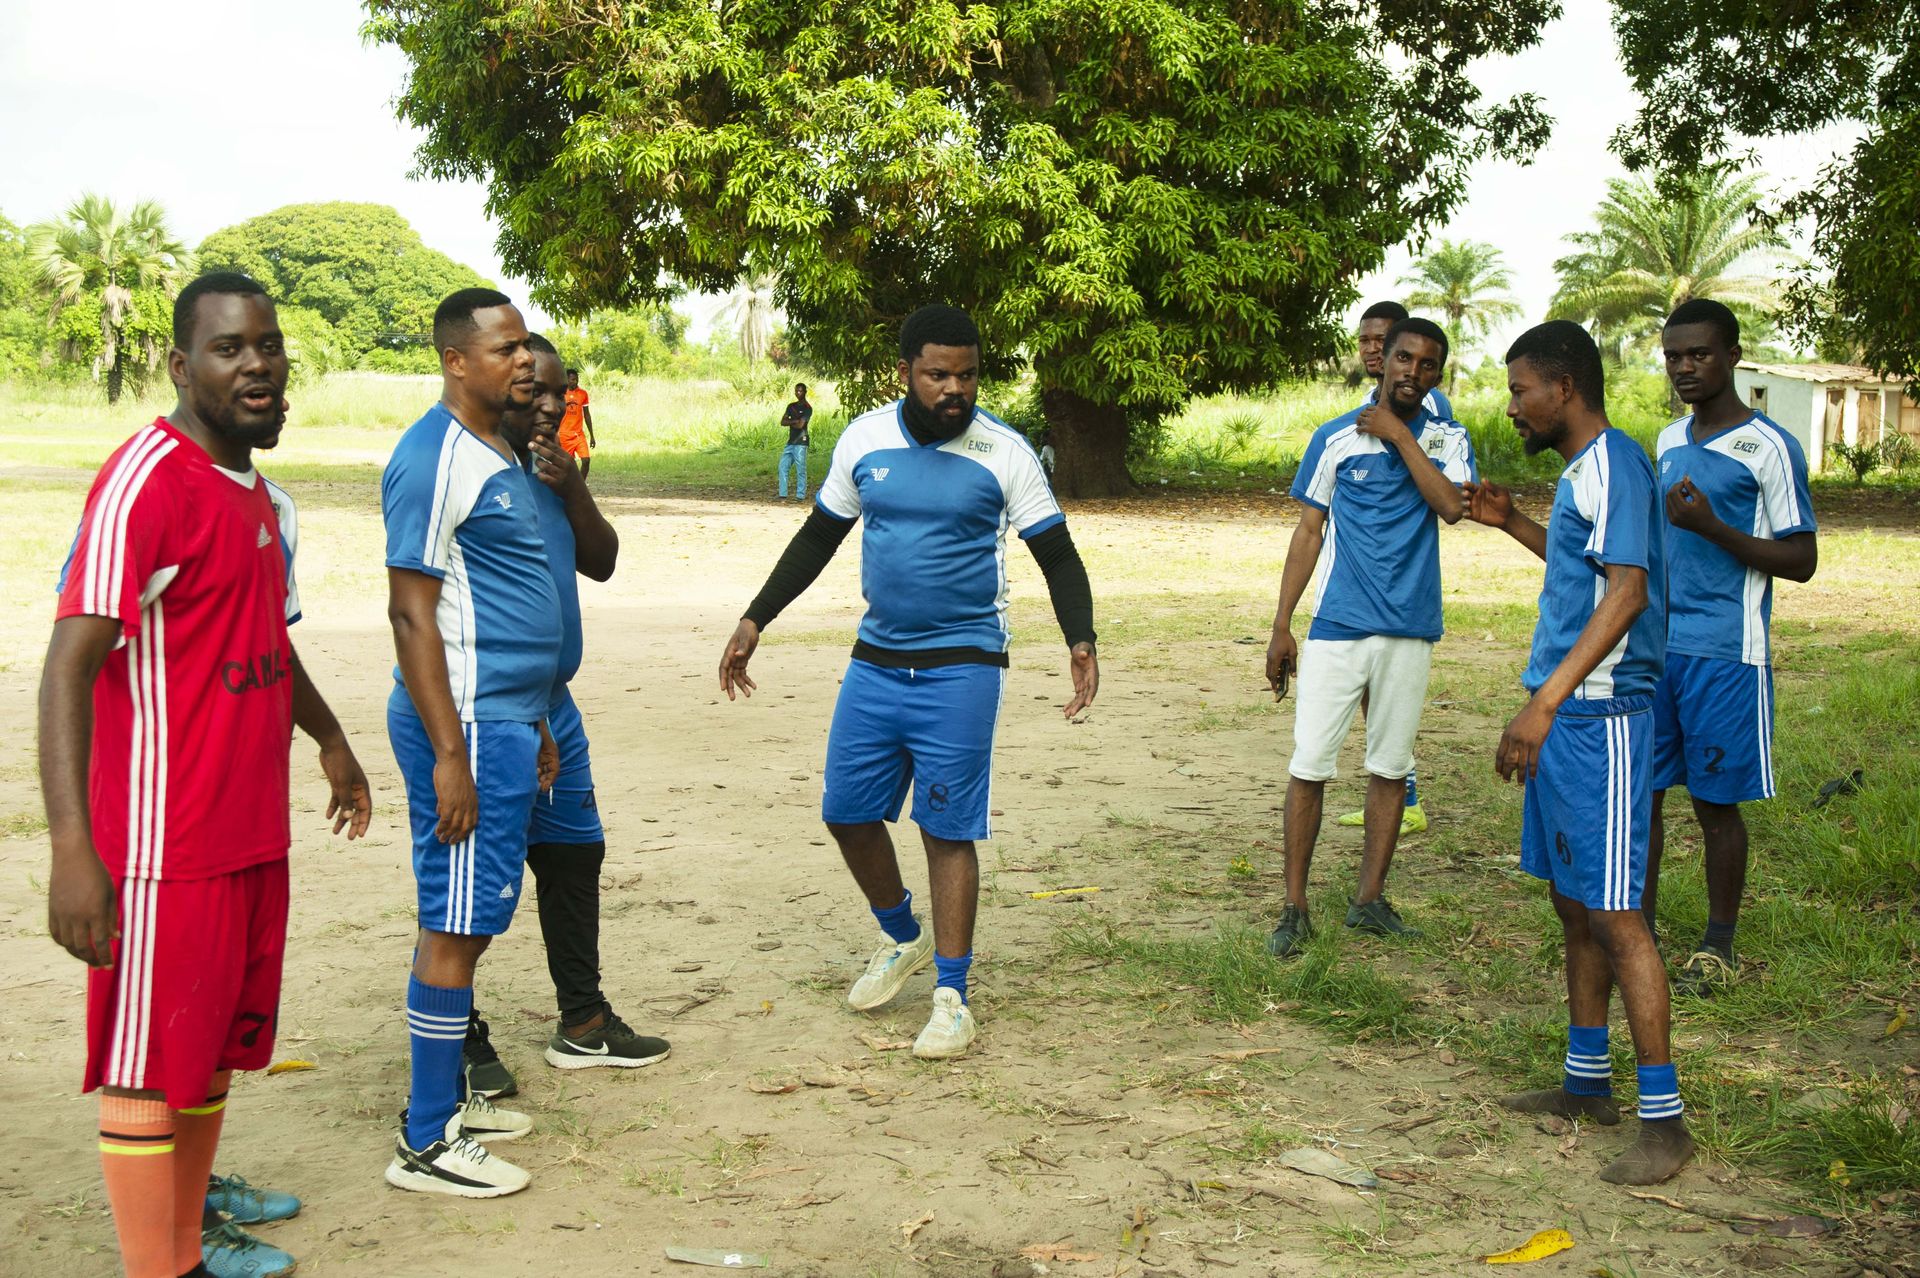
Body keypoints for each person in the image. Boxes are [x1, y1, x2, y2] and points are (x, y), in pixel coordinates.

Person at [40, 272, 371, 1278]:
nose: (257, 364)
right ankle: (160, 1265)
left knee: (211, 1050)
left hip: (245, 834)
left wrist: (328, 736)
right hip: (158, 848)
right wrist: (72, 851)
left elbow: (262, 632)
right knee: (146, 1070)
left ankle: (185, 1248)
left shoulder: (263, 498)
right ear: (183, 366)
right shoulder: (147, 479)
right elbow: (69, 664)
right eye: (229, 349)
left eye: (267, 346)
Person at [717, 303, 1098, 1059]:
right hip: (877, 660)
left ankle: (952, 995)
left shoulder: (1005, 452)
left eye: (966, 375)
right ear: (905, 373)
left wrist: (1079, 639)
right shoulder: (865, 440)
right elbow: (817, 538)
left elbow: (1057, 553)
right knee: (845, 811)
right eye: (937, 375)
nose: (953, 389)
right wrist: (755, 619)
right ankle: (902, 934)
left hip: (964, 663)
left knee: (946, 827)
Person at [1466, 320, 1692, 1185]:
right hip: (1567, 723)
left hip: (1604, 723)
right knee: (1574, 905)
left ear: (1563, 387)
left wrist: (1543, 705)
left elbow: (1628, 596)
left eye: (1521, 390)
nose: (1513, 405)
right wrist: (1513, 523)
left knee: (1618, 916)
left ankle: (1666, 1122)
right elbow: (1586, 574)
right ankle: (1586, 1084)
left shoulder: (1619, 464)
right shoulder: (1581, 474)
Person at [381, 287, 561, 1197]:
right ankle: (426, 1139)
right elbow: (412, 616)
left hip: (501, 718)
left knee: (473, 916)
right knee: (454, 920)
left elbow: (483, 605)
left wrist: (530, 716)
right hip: (466, 725)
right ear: (457, 360)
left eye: (525, 345)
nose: (523, 361)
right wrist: (454, 752)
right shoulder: (434, 456)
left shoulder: (499, 448)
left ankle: (445, 1095)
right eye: (503, 349)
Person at [462, 335, 672, 1095]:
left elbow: (603, 560)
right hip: (490, 710)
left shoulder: (550, 471)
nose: (549, 404)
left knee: (575, 854)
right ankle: (458, 1035)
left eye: (561, 392)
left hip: (555, 706)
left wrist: (574, 491)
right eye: (535, 391)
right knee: (475, 887)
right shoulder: (468, 469)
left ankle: (582, 1023)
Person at [1262, 318, 1475, 958]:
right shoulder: (1334, 440)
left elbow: (1452, 506)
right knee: (1310, 765)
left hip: (1410, 629)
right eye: (1403, 358)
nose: (1413, 372)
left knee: (1389, 767)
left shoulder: (1448, 436)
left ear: (1438, 374)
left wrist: (1398, 435)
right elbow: (1308, 531)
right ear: (1382, 363)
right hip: (1338, 627)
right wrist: (1282, 625)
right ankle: (1293, 907)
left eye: (1428, 364)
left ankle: (1369, 900)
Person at [1646, 299, 1817, 993]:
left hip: (1726, 650)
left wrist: (1714, 527)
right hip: (1657, 649)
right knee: (1644, 795)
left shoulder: (1769, 446)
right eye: (1674, 356)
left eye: (1700, 355)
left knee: (1715, 803)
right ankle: (1641, 933)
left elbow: (1801, 558)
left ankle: (1718, 947)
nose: (1685, 368)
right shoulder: (1666, 440)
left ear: (1732, 356)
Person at [1334, 299, 1452, 835]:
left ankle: (1405, 794)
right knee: (1365, 692)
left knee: (1391, 698)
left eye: (1384, 342)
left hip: (1402, 590)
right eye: (1365, 341)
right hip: (1355, 586)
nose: (1373, 350)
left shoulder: (1434, 414)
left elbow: (1443, 495)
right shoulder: (1357, 410)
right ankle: (1395, 789)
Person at [778, 382, 813, 500]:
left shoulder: (808, 408)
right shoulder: (791, 406)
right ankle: (783, 494)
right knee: (782, 467)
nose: (798, 393)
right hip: (790, 442)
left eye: (800, 391)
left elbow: (801, 426)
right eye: (796, 391)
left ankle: (800, 495)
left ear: (805, 392)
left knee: (800, 469)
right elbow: (782, 422)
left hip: (801, 442)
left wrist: (790, 420)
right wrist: (794, 421)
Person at [559, 367, 595, 479]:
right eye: (572, 379)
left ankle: (581, 486)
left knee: (586, 461)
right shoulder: (560, 394)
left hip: (578, 435)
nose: (574, 381)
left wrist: (592, 436)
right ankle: (568, 488)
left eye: (576, 379)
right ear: (566, 380)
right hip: (564, 435)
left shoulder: (583, 394)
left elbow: (587, 415)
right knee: (567, 465)